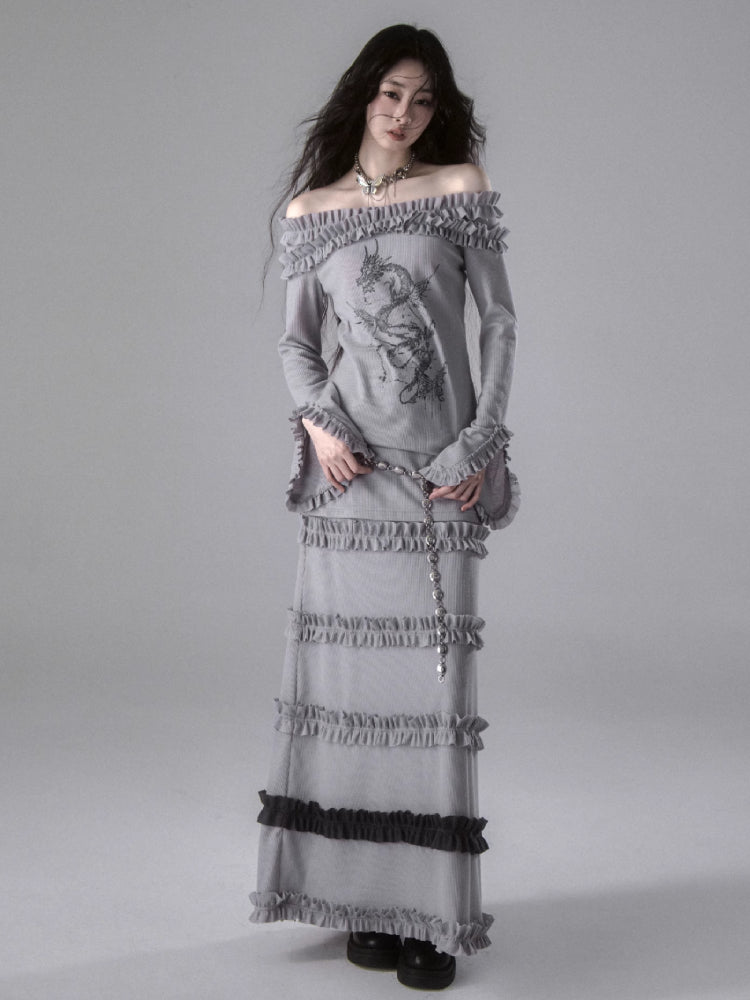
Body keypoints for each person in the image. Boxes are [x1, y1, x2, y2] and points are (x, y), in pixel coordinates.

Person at [250, 23, 520, 991]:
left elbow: (499, 322)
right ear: (363, 95)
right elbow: (297, 344)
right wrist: (321, 427)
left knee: (430, 702)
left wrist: (480, 442)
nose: (405, 114)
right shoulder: (309, 210)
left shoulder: (458, 188)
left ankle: (431, 917)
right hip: (349, 477)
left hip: (438, 469)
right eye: (391, 94)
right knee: (348, 697)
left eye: (423, 99)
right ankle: (362, 901)